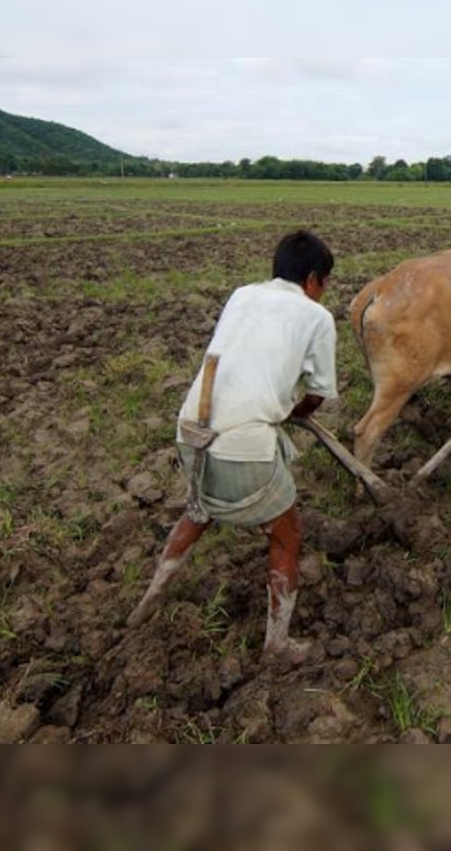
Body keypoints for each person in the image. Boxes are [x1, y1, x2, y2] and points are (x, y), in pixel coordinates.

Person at [127, 229, 337, 664]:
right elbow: (318, 393)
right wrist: (299, 409)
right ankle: (277, 644)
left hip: (192, 427)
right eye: (325, 284)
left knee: (200, 508)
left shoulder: (242, 295)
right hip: (242, 443)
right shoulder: (316, 317)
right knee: (288, 535)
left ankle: (151, 597)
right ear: (314, 279)